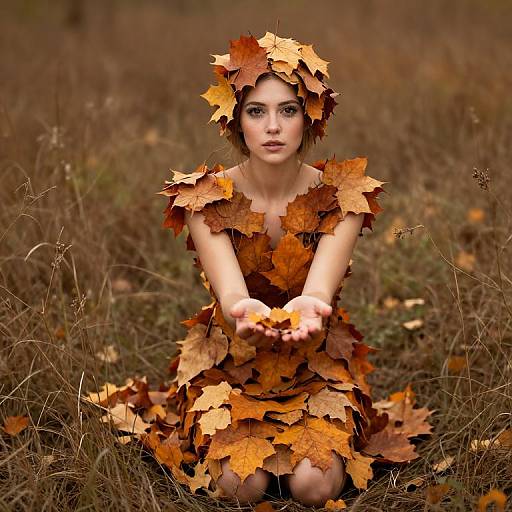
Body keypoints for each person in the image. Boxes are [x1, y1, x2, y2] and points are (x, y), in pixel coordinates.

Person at [96, 31, 430, 508]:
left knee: (315, 487)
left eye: (288, 110)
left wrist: (310, 307)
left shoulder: (342, 196)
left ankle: (303, 458)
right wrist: (242, 313)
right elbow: (231, 296)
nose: (272, 126)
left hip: (315, 361)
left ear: (309, 116)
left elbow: (319, 290)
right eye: (257, 111)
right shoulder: (205, 198)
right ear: (236, 120)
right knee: (241, 486)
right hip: (231, 364)